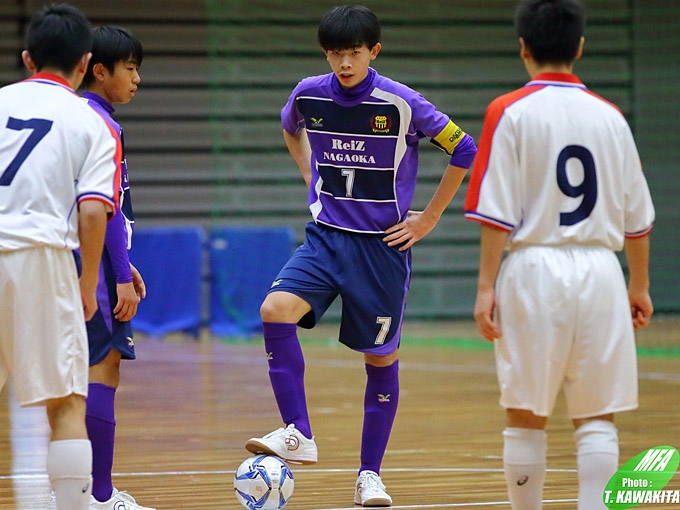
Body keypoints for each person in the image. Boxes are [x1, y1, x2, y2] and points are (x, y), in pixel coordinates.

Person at [244, 5, 477, 507]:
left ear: (374, 51)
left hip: (381, 248)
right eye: (335, 53)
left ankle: (369, 475)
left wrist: (429, 218)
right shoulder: (308, 94)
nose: (344, 63)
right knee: (274, 309)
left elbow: (464, 148)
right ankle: (298, 431)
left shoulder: (402, 103)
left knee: (380, 357)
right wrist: (309, 174)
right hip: (326, 238)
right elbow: (290, 127)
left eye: (353, 53)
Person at [464, 1, 655, 508]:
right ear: (581, 47)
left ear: (523, 48)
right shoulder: (611, 117)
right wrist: (638, 285)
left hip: (534, 269)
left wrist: (485, 287)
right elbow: (638, 219)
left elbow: (494, 213)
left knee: (526, 415)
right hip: (601, 269)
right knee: (597, 417)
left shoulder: (508, 111)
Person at [0, 4, 122, 510]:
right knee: (67, 401)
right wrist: (87, 283)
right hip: (42, 256)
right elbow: (93, 211)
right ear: (85, 62)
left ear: (28, 59)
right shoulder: (91, 121)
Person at [48, 25, 153, 510]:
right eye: (130, 69)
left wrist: (124, 263)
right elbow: (101, 209)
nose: (136, 79)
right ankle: (101, 496)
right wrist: (119, 275)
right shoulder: (100, 124)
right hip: (89, 266)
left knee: (69, 379)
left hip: (58, 259)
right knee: (102, 369)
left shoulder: (71, 117)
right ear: (100, 71)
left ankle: (74, 492)